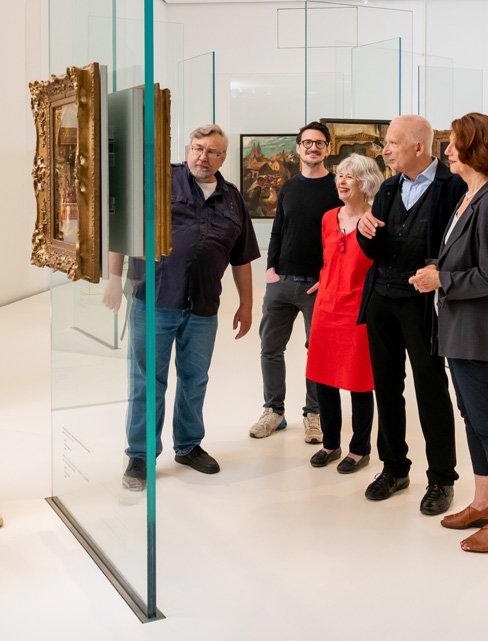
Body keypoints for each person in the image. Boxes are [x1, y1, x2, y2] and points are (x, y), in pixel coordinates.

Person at [103, 124, 260, 492]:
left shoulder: (233, 199)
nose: (202, 157)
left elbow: (242, 258)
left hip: (203, 307)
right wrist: (113, 277)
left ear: (224, 158)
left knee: (195, 380)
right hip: (154, 301)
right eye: (197, 148)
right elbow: (122, 225)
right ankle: (140, 455)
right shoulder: (159, 180)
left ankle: (188, 446)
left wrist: (247, 305)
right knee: (147, 381)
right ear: (188, 148)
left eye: (212, 152)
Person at [409, 112, 488, 552]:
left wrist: (443, 281)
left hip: (476, 329)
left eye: (454, 144)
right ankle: (481, 499)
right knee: (472, 417)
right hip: (458, 325)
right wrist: (439, 270)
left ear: (474, 148)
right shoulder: (469, 195)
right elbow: (464, 258)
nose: (447, 151)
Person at [356, 114, 466, 515]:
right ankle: (394, 468)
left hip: (424, 304)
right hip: (382, 300)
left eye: (392, 143)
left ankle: (441, 478)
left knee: (431, 389)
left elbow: (459, 248)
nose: (385, 150)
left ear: (419, 147)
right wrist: (366, 232)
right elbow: (375, 251)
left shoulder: (453, 187)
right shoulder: (387, 188)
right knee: (385, 387)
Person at [249, 122, 341, 443]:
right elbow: (278, 230)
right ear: (298, 148)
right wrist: (271, 269)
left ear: (327, 148)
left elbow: (345, 239)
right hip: (281, 283)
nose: (312, 148)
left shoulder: (337, 188)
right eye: (307, 143)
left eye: (319, 143)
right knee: (270, 349)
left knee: (317, 352)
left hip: (319, 286)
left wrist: (330, 277)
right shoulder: (288, 187)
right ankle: (274, 411)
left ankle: (313, 414)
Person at [306, 154, 382, 474]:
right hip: (326, 308)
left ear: (364, 183)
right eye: (339, 175)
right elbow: (326, 260)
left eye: (349, 176)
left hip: (359, 310)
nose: (341, 180)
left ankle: (359, 449)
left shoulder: (375, 221)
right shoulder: (327, 218)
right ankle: (330, 442)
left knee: (359, 381)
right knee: (323, 377)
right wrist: (323, 280)